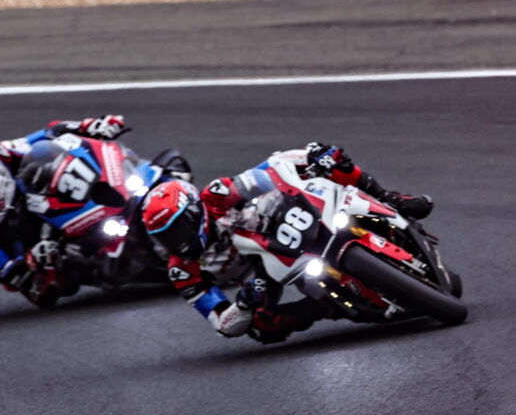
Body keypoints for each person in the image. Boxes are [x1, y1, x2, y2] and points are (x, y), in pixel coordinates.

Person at [141, 142, 434, 343]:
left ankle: (392, 199)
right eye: (165, 237)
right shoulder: (182, 271)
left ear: (194, 212)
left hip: (276, 222)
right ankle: (333, 307)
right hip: (260, 274)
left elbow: (272, 166)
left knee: (331, 161)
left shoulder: (217, 194)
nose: (174, 243)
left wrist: (311, 154)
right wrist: (242, 305)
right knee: (262, 328)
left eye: (177, 231)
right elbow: (221, 324)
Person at [0, 115, 130, 307]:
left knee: (43, 162)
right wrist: (30, 261)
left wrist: (88, 126)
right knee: (45, 293)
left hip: (44, 203)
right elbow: (3, 273)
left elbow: (48, 134)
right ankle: (86, 258)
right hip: (29, 247)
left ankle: (108, 199)